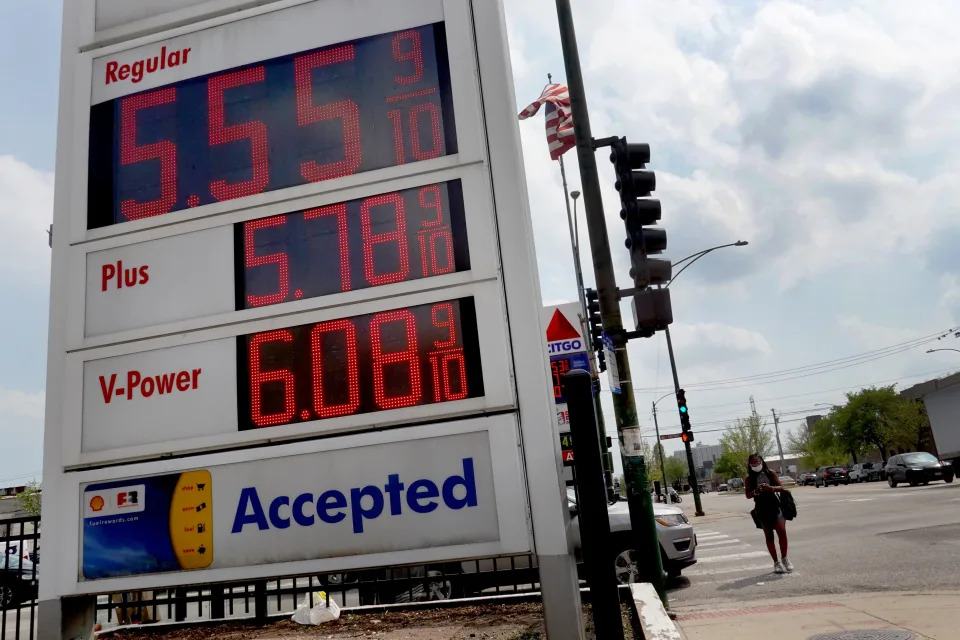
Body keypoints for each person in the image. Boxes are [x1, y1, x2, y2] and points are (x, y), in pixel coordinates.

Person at [744, 453, 793, 574]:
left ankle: (785, 558)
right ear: (750, 465)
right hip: (761, 508)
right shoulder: (749, 478)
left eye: (757, 462)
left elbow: (781, 487)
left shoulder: (770, 473)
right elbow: (747, 495)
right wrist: (756, 491)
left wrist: (770, 488)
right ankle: (776, 563)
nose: (756, 465)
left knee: (781, 530)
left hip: (775, 506)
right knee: (769, 536)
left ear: (762, 461)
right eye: (753, 464)